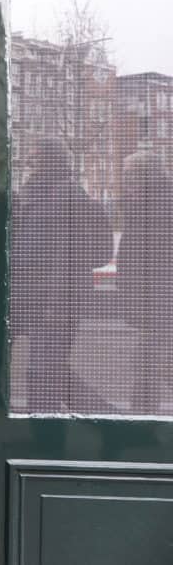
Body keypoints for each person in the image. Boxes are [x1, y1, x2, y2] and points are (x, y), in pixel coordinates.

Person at [11, 138, 111, 412]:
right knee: (48, 372)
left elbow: (83, 254)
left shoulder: (68, 196)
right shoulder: (32, 195)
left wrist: (59, 300)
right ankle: (108, 421)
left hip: (54, 303)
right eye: (31, 158)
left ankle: (48, 437)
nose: (30, 163)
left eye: (36, 158)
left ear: (53, 161)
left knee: (42, 373)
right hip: (29, 300)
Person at [117, 150, 173, 413]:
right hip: (147, 300)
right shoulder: (141, 205)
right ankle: (142, 422)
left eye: (130, 175)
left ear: (146, 176)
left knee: (148, 362)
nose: (125, 182)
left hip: (157, 300)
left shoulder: (158, 206)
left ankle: (140, 422)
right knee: (149, 363)